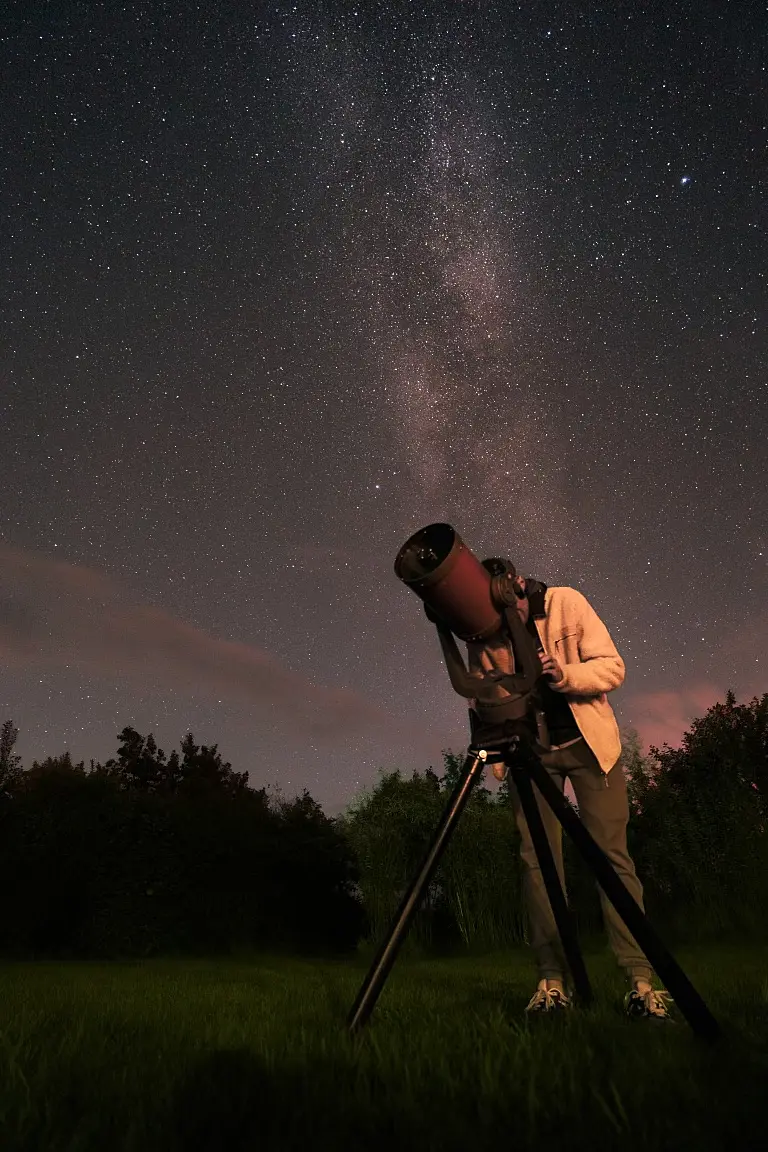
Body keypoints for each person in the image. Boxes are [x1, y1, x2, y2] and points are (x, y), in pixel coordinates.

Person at [467, 565, 673, 1023]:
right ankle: (551, 980)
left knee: (612, 859)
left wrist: (563, 673)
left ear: (516, 587)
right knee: (538, 862)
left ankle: (640, 981)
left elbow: (612, 668)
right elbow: (484, 700)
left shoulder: (567, 603)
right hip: (532, 755)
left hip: (589, 748)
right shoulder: (484, 633)